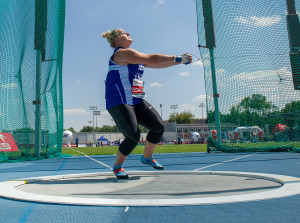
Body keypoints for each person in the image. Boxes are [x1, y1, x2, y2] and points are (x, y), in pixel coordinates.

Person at [102, 28, 192, 179]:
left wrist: (179, 62)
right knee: (133, 135)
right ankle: (118, 166)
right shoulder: (121, 53)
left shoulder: (134, 57)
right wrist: (177, 58)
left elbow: (157, 64)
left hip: (136, 99)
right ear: (117, 40)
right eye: (125, 33)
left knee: (158, 127)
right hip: (119, 100)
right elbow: (151, 58)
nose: (129, 33)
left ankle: (147, 157)